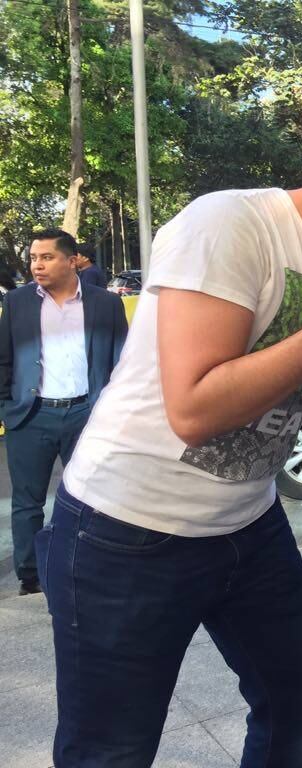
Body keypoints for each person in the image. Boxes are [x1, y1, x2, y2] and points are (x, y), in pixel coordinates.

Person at [40, 83, 302, 767]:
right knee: (110, 751)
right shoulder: (230, 224)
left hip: (247, 525)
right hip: (125, 527)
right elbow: (193, 411)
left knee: (294, 698)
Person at [0, 228, 127, 596]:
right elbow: (4, 358)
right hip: (31, 415)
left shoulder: (106, 304)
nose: (37, 265)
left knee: (90, 498)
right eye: (33, 258)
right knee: (27, 503)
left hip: (87, 415)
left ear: (71, 261)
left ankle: (83, 567)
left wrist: (114, 413)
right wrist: (7, 407)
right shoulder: (18, 302)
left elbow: (123, 362)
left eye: (46, 257)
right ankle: (31, 577)